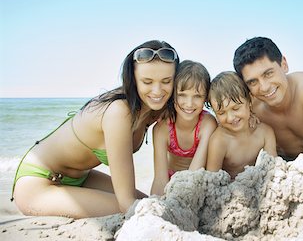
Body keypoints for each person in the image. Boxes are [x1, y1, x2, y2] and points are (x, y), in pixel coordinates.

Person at [11, 40, 179, 218]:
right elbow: (126, 203)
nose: (157, 90)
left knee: (148, 204)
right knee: (138, 211)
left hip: (82, 178)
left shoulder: (154, 108)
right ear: (133, 80)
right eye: (147, 81)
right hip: (39, 183)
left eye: (166, 81)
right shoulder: (119, 111)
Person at [233, 36, 303, 161]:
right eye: (253, 82)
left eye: (268, 74)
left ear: (284, 65)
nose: (264, 87)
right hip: (280, 165)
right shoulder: (249, 108)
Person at [151, 60, 217, 196]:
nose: (189, 103)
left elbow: (194, 175)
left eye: (197, 96)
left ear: (205, 98)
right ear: (172, 94)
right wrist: (154, 205)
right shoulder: (162, 129)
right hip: (171, 182)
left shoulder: (207, 124)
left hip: (197, 182)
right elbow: (159, 179)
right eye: (182, 95)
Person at [206, 71, 277, 179]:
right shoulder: (219, 141)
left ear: (249, 101)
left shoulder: (265, 133)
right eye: (221, 113)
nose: (230, 118)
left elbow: (274, 171)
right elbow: (212, 181)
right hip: (229, 191)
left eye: (236, 108)